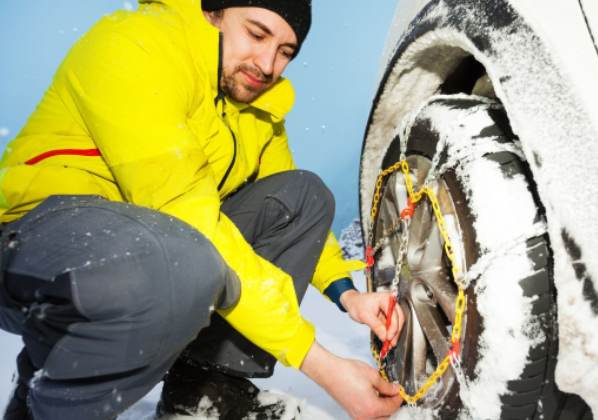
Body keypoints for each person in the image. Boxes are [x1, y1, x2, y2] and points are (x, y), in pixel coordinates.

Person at [0, 0, 405, 418]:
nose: (268, 64)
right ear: (214, 13)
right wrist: (323, 365)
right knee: (189, 259)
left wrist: (348, 293)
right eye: (256, 33)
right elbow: (189, 216)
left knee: (303, 196)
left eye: (286, 51)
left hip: (159, 242)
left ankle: (202, 394)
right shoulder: (138, 46)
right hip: (35, 241)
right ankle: (42, 402)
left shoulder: (256, 109)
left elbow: (295, 215)